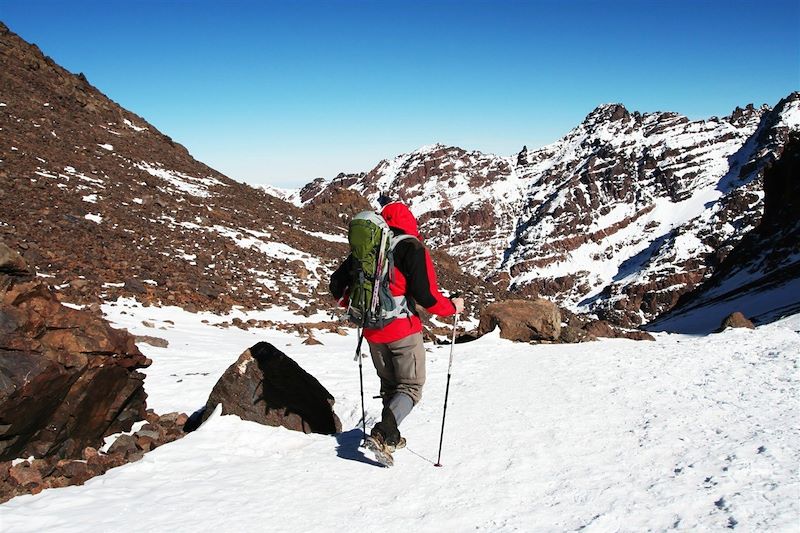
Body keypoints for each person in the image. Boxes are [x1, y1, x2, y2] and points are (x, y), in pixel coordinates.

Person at [329, 202, 464, 458]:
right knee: (410, 387)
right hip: (402, 330)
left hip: (372, 331)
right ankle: (383, 433)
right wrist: (453, 307)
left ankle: (390, 436)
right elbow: (428, 297)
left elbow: (337, 286)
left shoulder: (369, 247)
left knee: (391, 386)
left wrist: (358, 306)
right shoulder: (411, 247)